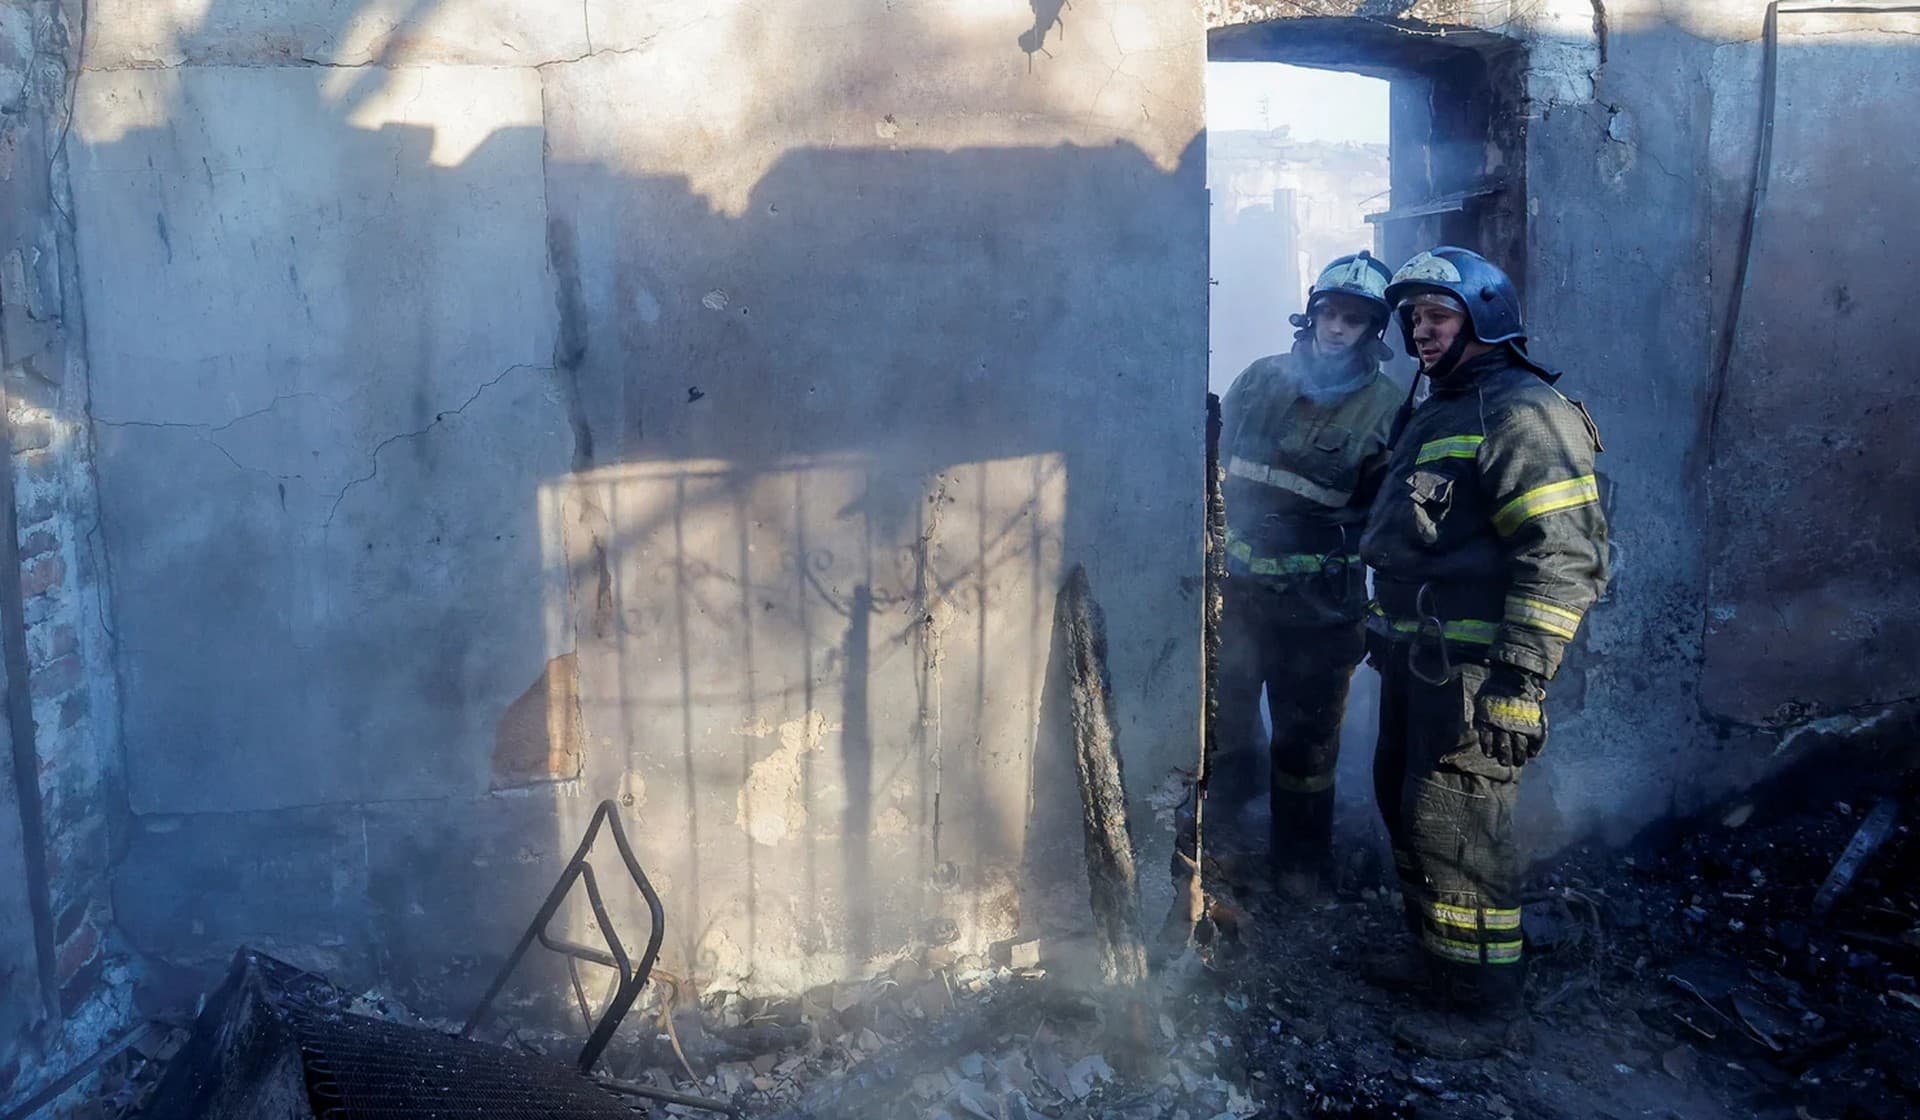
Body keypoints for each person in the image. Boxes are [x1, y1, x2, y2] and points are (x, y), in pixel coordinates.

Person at [1357, 246, 1609, 1057]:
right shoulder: (1439, 408)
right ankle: (1436, 958)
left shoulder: (1524, 412)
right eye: (1414, 318)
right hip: (1416, 657)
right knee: (1407, 807)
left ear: (1485, 320)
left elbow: (1563, 556)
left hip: (1473, 673)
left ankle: (1484, 1004)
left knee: (1459, 826)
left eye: (1437, 315)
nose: (1420, 332)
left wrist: (1519, 682)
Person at [1214, 251, 1405, 898]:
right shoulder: (1258, 379)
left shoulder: (1387, 409)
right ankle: (1219, 853)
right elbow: (1212, 475)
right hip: (1236, 597)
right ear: (1311, 312)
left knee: (1307, 748)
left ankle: (1300, 871)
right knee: (1223, 728)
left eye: (1353, 319)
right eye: (1329, 313)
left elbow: (1391, 521)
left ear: (1372, 330)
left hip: (1321, 609)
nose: (1335, 328)